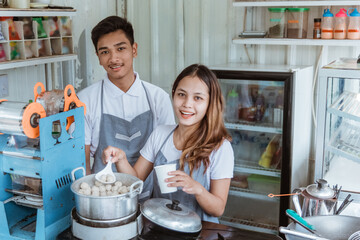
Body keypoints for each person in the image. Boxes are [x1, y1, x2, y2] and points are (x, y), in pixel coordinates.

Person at [102, 64, 234, 223]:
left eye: (198, 98)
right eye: (181, 94)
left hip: (201, 232)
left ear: (210, 102)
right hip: (162, 228)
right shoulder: (160, 134)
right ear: (173, 94)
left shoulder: (220, 147)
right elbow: (135, 181)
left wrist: (197, 189)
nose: (187, 104)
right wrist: (121, 159)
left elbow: (218, 208)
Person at [78, 16, 175, 199]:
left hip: (149, 196)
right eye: (105, 52)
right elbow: (83, 162)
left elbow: (166, 158)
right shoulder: (85, 101)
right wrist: (88, 200)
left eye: (120, 48)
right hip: (102, 198)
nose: (114, 58)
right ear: (98, 57)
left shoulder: (157, 98)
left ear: (134, 49)